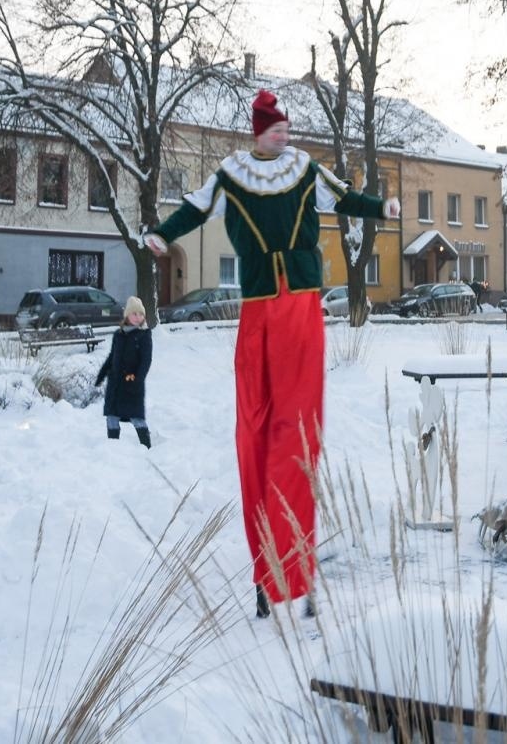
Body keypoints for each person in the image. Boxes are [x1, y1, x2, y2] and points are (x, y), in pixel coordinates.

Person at [142, 89, 400, 617]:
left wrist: (383, 208)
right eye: (277, 129)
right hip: (259, 309)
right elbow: (193, 209)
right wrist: (161, 235)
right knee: (256, 429)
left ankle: (294, 565)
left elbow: (345, 198)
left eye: (287, 129)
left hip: (302, 305)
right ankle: (268, 569)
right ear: (258, 133)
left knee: (298, 429)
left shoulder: (305, 171)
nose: (285, 136)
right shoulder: (232, 175)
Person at [96, 297, 153, 448]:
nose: (138, 317)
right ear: (127, 315)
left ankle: (147, 447)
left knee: (136, 417)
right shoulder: (118, 335)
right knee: (112, 416)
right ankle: (113, 448)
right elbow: (111, 356)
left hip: (132, 382)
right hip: (115, 384)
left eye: (141, 314)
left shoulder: (144, 335)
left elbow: (146, 361)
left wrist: (138, 380)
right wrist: (101, 375)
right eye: (134, 314)